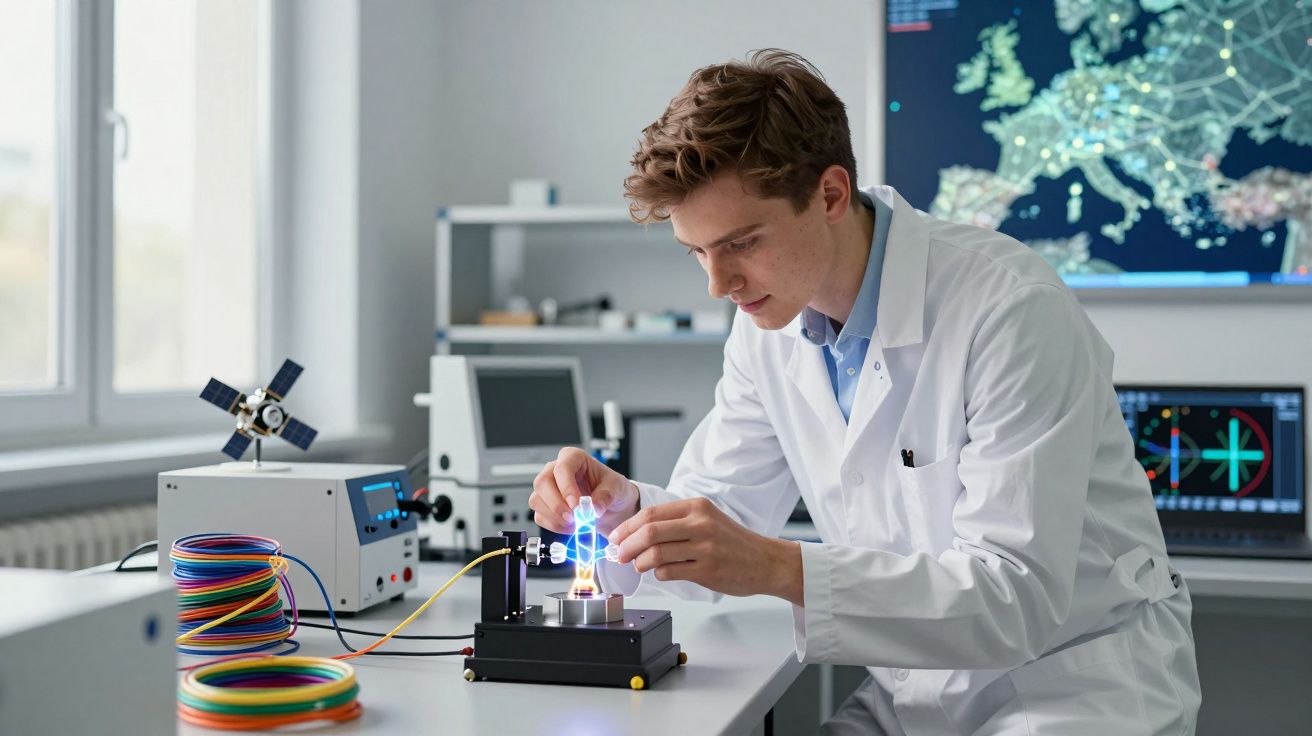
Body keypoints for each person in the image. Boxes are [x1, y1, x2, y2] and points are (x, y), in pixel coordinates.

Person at [529, 49, 1200, 735]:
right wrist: (624, 509)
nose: (718, 284)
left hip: (1074, 689)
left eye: (742, 243)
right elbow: (722, 515)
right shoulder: (767, 327)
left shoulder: (1011, 310)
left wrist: (779, 568)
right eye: (697, 251)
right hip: (917, 696)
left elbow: (1014, 599)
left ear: (829, 194)